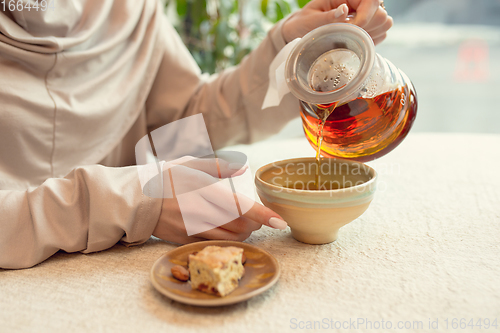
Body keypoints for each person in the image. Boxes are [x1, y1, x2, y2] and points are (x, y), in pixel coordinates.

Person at [0, 0, 392, 269]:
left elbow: (183, 118)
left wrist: (289, 47)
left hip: (114, 269)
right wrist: (130, 200)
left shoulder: (126, 10)